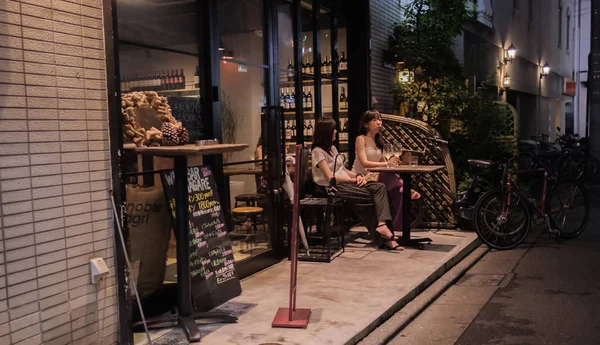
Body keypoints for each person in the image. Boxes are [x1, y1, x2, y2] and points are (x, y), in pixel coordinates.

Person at [311, 118, 403, 251]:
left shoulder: (333, 148)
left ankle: (382, 225)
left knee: (379, 187)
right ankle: (388, 238)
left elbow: (343, 170)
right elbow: (330, 176)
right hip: (333, 187)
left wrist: (358, 176)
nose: (336, 131)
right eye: (334, 129)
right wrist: (353, 181)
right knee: (374, 199)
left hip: (347, 183)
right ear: (326, 132)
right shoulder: (318, 152)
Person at [352, 110, 420, 233]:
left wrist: (393, 161)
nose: (379, 122)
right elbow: (365, 163)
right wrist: (387, 163)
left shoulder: (379, 141)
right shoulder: (361, 139)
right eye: (375, 120)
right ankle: (406, 187)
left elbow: (385, 164)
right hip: (361, 177)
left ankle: (397, 227)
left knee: (400, 192)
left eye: (380, 120)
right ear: (366, 124)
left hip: (376, 177)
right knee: (393, 181)